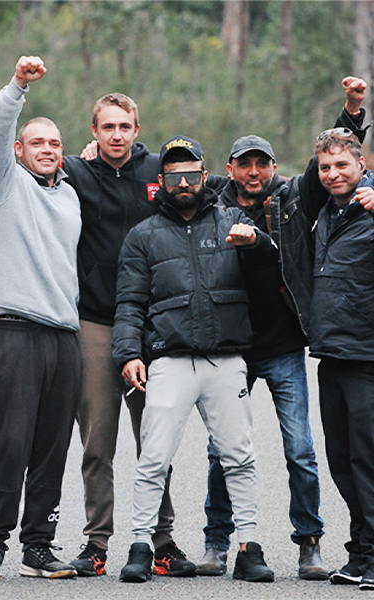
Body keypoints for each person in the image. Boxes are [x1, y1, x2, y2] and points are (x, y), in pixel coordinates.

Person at [197, 77, 368, 580]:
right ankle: (216, 542)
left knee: (301, 451)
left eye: (262, 163)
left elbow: (334, 160)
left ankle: (309, 543)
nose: (253, 171)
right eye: (244, 163)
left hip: (284, 344)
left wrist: (352, 111)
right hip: (231, 346)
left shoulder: (294, 197)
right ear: (230, 168)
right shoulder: (210, 202)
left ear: (273, 168)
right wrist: (89, 156)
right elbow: (164, 177)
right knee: (221, 451)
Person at [113, 135, 278, 584]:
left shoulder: (233, 220)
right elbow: (129, 303)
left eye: (190, 174)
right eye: (173, 176)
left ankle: (248, 548)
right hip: (169, 360)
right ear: (161, 181)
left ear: (206, 175)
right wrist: (129, 354)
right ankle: (141, 547)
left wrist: (255, 243)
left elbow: (270, 265)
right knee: (153, 458)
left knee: (238, 456)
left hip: (226, 360)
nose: (183, 183)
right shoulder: (143, 235)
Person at [62, 94, 212, 577]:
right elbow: (25, 168)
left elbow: (213, 189)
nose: (116, 135)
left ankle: (160, 540)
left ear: (136, 129)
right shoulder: (76, 171)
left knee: (155, 442)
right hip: (96, 320)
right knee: (97, 442)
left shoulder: (157, 171)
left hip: (153, 326)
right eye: (107, 127)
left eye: (124, 126)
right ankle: (96, 543)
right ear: (94, 130)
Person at [0, 56, 82, 582]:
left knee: (51, 449)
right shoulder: (5, 184)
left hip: (65, 337)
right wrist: (17, 86)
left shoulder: (71, 195)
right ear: (19, 150)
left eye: (55, 143)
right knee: (9, 446)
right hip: (16, 332)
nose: (47, 149)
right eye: (37, 142)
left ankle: (38, 545)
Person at [306, 128, 374, 591]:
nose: (333, 174)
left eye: (342, 165)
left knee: (368, 461)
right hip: (332, 352)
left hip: (367, 355)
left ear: (361, 164)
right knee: (343, 462)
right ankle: (362, 553)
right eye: (326, 167)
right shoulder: (326, 212)